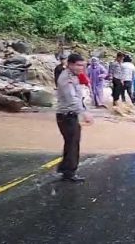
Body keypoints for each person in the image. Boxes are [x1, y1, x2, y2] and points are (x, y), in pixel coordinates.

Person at [56, 54, 92, 182]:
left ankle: (65, 168)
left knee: (71, 142)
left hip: (70, 115)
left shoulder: (74, 76)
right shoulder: (66, 78)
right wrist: (83, 113)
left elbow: (79, 96)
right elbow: (71, 98)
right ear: (70, 64)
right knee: (73, 144)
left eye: (83, 65)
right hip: (67, 116)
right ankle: (69, 172)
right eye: (78, 65)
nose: (81, 68)